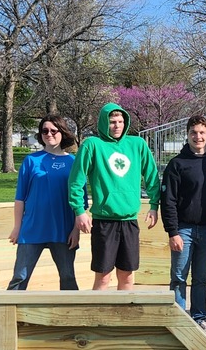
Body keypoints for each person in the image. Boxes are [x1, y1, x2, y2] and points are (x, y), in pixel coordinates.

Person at [68, 102, 160, 290]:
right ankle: (99, 318)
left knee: (126, 276)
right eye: (112, 121)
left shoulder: (137, 144)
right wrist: (79, 211)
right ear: (104, 123)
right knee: (103, 277)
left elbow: (152, 176)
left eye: (120, 121)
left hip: (129, 220)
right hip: (104, 221)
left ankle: (124, 318)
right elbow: (76, 181)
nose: (117, 125)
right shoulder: (92, 145)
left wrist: (154, 205)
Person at [160, 115, 206, 337]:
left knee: (201, 278)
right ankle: (177, 320)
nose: (198, 137)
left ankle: (199, 318)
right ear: (187, 135)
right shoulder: (177, 164)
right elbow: (168, 201)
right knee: (178, 277)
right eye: (194, 133)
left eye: (202, 132)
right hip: (183, 230)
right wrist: (173, 232)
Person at [7, 114, 79, 291]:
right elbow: (20, 198)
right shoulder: (31, 161)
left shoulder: (73, 162)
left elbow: (80, 199)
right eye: (44, 131)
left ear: (62, 132)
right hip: (32, 228)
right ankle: (8, 315)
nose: (49, 134)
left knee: (68, 276)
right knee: (19, 276)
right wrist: (17, 227)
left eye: (54, 130)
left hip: (63, 229)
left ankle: (71, 316)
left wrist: (76, 230)